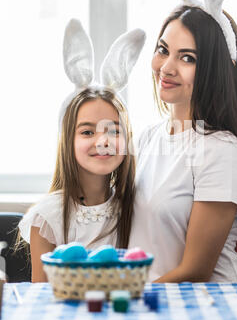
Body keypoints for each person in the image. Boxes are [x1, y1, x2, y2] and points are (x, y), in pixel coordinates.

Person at [128, 0, 237, 283]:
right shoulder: (148, 138)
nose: (167, 67)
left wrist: (126, 297)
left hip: (205, 309)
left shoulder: (221, 150)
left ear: (213, 68)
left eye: (187, 58)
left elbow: (194, 271)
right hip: (153, 301)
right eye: (163, 50)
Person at [18, 20, 145, 282]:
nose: (102, 141)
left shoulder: (136, 207)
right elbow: (41, 296)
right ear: (68, 140)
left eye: (113, 131)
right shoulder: (47, 217)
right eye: (87, 132)